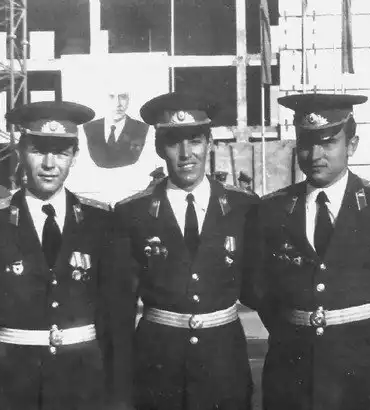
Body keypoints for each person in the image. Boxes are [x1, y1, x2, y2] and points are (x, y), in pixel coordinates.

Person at [0, 101, 132, 410]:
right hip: (13, 386)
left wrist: (118, 399)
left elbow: (117, 321)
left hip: (83, 386)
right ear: (20, 151)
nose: (49, 164)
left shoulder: (101, 223)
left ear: (75, 157)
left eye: (61, 153)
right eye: (38, 150)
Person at [258, 93, 370, 410]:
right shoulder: (272, 210)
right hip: (293, 372)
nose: (316, 154)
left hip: (363, 374)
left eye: (328, 142)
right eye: (306, 143)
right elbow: (260, 290)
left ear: (352, 145)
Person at [113, 92, 263, 410]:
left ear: (209, 143)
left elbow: (262, 290)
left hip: (224, 364)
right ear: (159, 148)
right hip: (157, 365)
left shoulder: (244, 207)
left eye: (195, 140)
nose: (186, 154)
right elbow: (119, 307)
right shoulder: (133, 213)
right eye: (173, 142)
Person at [83, 89, 149, 168]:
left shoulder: (141, 128)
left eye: (123, 97)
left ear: (129, 99)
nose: (118, 104)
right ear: (103, 99)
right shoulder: (90, 127)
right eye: (111, 97)